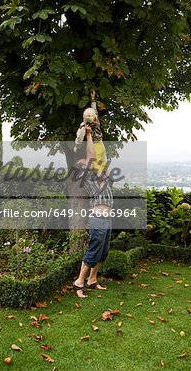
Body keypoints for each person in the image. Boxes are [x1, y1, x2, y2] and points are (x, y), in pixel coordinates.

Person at [73, 124, 113, 298]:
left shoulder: (105, 178)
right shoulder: (88, 179)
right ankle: (79, 282)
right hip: (97, 219)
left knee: (103, 252)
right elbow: (91, 156)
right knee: (93, 250)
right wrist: (88, 135)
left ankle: (92, 280)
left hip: (108, 220)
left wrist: (96, 131)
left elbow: (100, 154)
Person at [73, 90, 107, 177]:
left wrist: (76, 146)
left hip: (95, 145)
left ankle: (92, 176)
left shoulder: (85, 125)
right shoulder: (94, 122)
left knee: (93, 163)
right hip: (100, 144)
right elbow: (94, 110)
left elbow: (79, 138)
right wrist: (92, 99)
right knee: (100, 164)